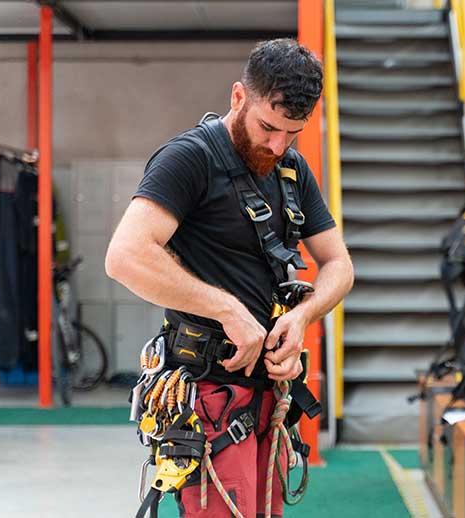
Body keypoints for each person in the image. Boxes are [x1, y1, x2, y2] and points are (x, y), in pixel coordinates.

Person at [105, 39, 354, 518]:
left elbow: (339, 265)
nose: (277, 145)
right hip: (208, 395)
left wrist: (303, 317)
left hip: (267, 395)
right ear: (239, 97)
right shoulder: (190, 159)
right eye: (267, 127)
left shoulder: (291, 169)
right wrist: (227, 310)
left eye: (292, 133)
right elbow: (125, 256)